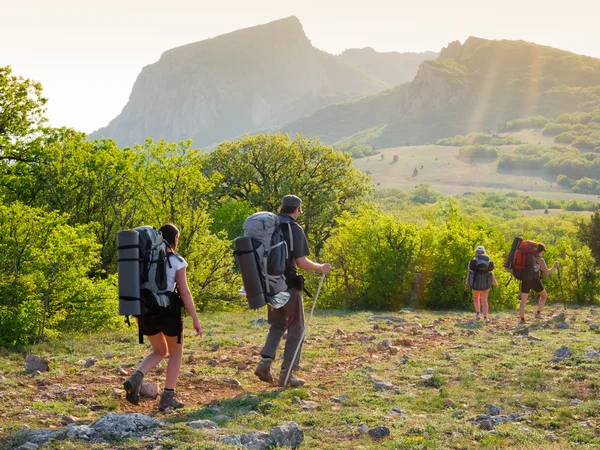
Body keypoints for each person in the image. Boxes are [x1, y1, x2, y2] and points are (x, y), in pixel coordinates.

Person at [123, 223, 202, 410]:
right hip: (168, 312)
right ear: (174, 239)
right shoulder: (176, 260)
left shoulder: (145, 258)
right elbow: (184, 293)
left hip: (145, 311)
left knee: (159, 351)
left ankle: (136, 378)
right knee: (175, 354)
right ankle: (168, 397)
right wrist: (195, 319)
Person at [254, 195, 331, 387]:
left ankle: (264, 364)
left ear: (281, 207)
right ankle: (287, 375)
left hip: (269, 286)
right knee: (296, 328)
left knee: (278, 325)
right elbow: (301, 262)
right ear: (297, 210)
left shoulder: (269, 227)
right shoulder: (293, 229)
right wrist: (321, 267)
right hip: (288, 284)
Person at [519, 243, 558, 324]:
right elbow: (547, 272)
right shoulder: (540, 260)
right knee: (544, 296)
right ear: (541, 251)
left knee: (523, 301)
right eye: (543, 252)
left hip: (525, 279)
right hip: (534, 280)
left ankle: (522, 319)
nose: (542, 253)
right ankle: (538, 313)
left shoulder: (527, 257)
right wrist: (554, 267)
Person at [465, 246, 498, 323]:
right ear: (484, 252)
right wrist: (495, 283)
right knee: (484, 301)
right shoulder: (488, 262)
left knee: (476, 298)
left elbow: (469, 273)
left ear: (476, 252)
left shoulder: (472, 262)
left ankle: (478, 314)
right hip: (486, 285)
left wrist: (467, 283)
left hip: (475, 284)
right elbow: (491, 273)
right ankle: (486, 318)